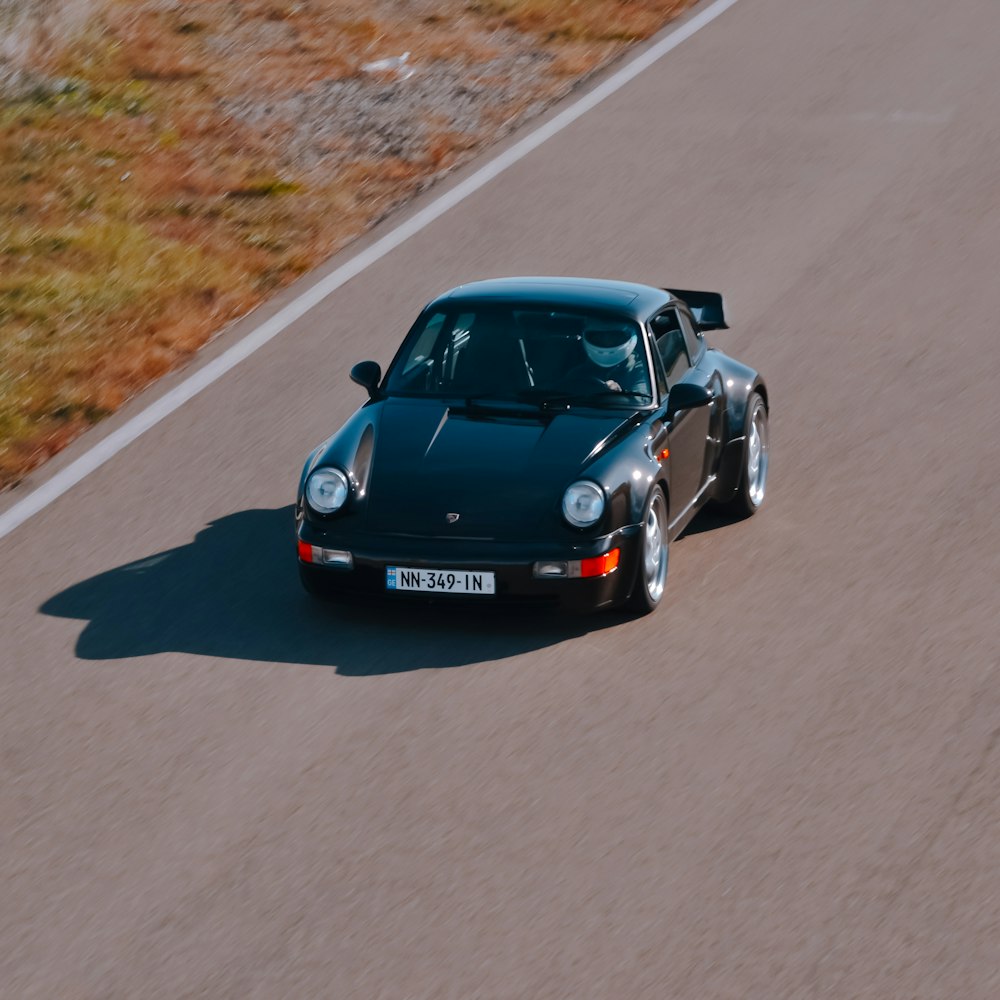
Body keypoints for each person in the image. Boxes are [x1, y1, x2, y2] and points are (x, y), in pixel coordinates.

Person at [572, 319, 651, 396]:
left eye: (613, 337)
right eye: (599, 337)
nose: (606, 342)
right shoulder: (579, 372)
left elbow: (642, 399)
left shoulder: (642, 369)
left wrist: (619, 394)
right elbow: (563, 391)